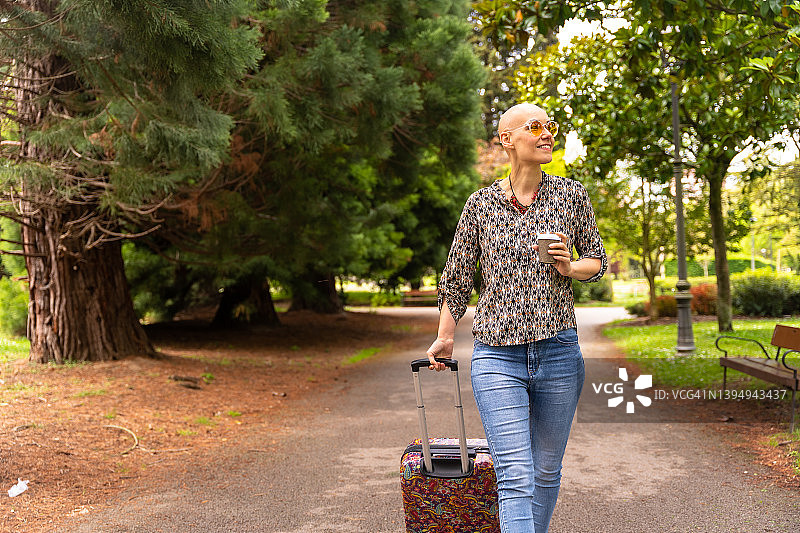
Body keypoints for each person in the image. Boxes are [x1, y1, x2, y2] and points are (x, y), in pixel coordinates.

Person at [425, 102, 607, 533]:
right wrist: (445, 337)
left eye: (551, 126)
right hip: (496, 358)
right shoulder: (480, 206)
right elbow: (457, 280)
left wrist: (570, 266)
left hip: (558, 352)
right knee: (516, 474)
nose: (546, 134)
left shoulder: (571, 195)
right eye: (535, 127)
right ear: (507, 139)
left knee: (545, 472)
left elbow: (597, 262)